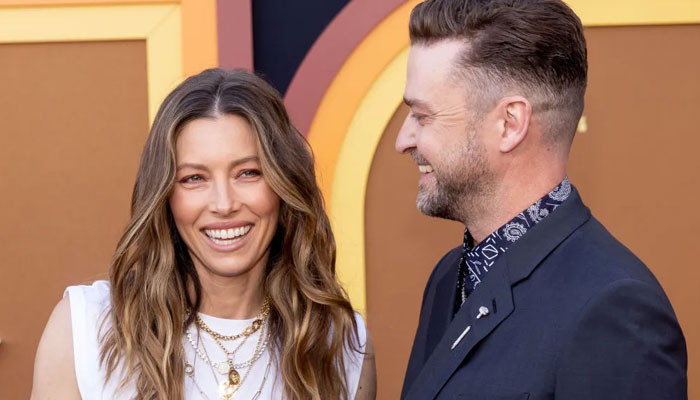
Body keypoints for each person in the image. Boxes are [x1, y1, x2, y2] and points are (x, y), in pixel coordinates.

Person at [395, 1, 687, 399]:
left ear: (510, 124)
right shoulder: (448, 278)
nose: (403, 141)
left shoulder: (614, 312)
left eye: (422, 116)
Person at [32, 69, 376, 400]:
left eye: (248, 173)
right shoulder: (85, 329)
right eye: (194, 178)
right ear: (165, 196)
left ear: (284, 184)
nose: (224, 204)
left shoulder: (341, 345)